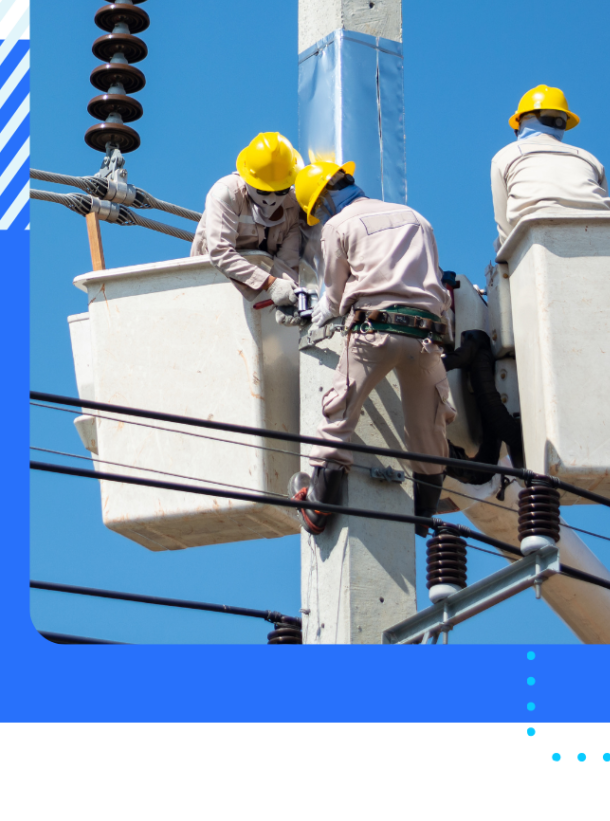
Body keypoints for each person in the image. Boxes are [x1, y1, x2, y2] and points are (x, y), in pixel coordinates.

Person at [286, 161, 456, 538]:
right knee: (429, 431)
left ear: (323, 202)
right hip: (425, 336)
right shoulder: (416, 218)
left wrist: (312, 322)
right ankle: (423, 516)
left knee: (338, 416)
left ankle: (317, 510)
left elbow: (331, 298)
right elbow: (438, 286)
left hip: (372, 332)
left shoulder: (337, 226)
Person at [491, 85, 610, 248]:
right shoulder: (587, 157)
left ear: (524, 120)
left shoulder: (507, 154)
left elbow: (505, 227)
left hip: (538, 236)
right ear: (562, 123)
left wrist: (507, 263)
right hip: (602, 235)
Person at [190, 133, 304, 315]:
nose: (272, 199)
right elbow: (220, 252)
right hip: (210, 281)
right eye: (263, 191)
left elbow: (287, 264)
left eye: (280, 190)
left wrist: (286, 301)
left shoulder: (293, 208)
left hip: (261, 291)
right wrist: (270, 284)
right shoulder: (227, 194)